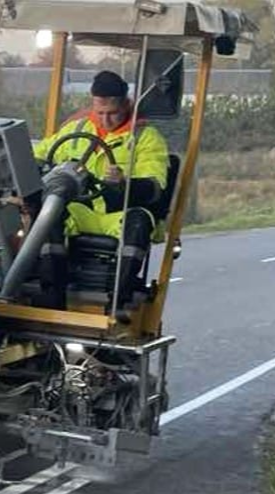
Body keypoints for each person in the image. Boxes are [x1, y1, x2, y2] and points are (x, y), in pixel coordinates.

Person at [30, 69, 170, 315]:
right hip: (81, 210)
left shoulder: (146, 138)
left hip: (119, 213)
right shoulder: (76, 130)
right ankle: (52, 298)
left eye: (113, 113)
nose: (105, 120)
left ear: (126, 104)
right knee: (49, 212)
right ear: (92, 105)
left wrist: (125, 182)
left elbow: (154, 187)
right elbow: (39, 155)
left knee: (138, 222)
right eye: (100, 113)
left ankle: (119, 302)